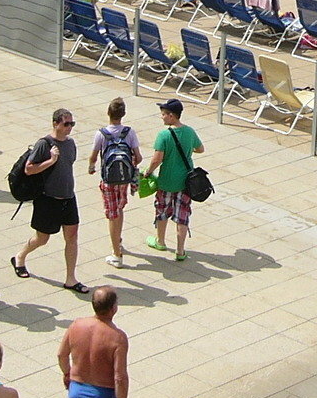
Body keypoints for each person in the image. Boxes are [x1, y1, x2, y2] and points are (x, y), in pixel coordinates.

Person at [13, 109, 86, 293]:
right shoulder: (44, 144)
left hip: (68, 197)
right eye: (66, 124)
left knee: (72, 237)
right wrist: (51, 161)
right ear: (55, 123)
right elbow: (29, 169)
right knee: (42, 238)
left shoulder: (70, 144)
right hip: (48, 199)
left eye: (72, 124)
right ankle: (20, 256)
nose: (69, 127)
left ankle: (71, 279)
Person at [143, 98, 203, 261]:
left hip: (167, 182)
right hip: (185, 183)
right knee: (182, 216)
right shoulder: (189, 132)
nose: (161, 117)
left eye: (163, 114)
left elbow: (157, 159)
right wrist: (188, 149)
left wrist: (148, 172)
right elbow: (200, 149)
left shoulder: (164, 135)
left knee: (162, 211)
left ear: (171, 116)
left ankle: (160, 241)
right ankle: (180, 250)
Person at [89, 98, 142, 268]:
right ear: (123, 114)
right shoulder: (129, 132)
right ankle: (117, 239)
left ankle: (116, 254)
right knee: (119, 209)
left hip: (108, 179)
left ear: (108, 113)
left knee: (112, 214)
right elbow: (138, 157)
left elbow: (93, 156)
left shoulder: (101, 134)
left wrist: (91, 167)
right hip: (124, 179)